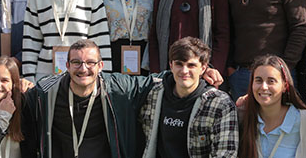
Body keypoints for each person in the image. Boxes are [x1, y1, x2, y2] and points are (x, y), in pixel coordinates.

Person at [20, 39, 222, 158]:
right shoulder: (46, 91)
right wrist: (19, 84)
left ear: (101, 66)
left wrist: (200, 72)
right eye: (76, 62)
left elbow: (158, 79)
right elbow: (21, 100)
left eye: (90, 62)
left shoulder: (118, 88)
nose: (83, 69)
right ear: (67, 65)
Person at [138, 37, 237, 158]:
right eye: (179, 64)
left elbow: (226, 153)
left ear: (203, 68)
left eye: (191, 65)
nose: (184, 71)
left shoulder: (220, 104)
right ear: (171, 65)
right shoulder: (153, 93)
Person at [238, 55, 306, 158]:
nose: (263, 87)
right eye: (258, 80)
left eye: (271, 81)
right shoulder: (242, 118)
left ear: (285, 85)